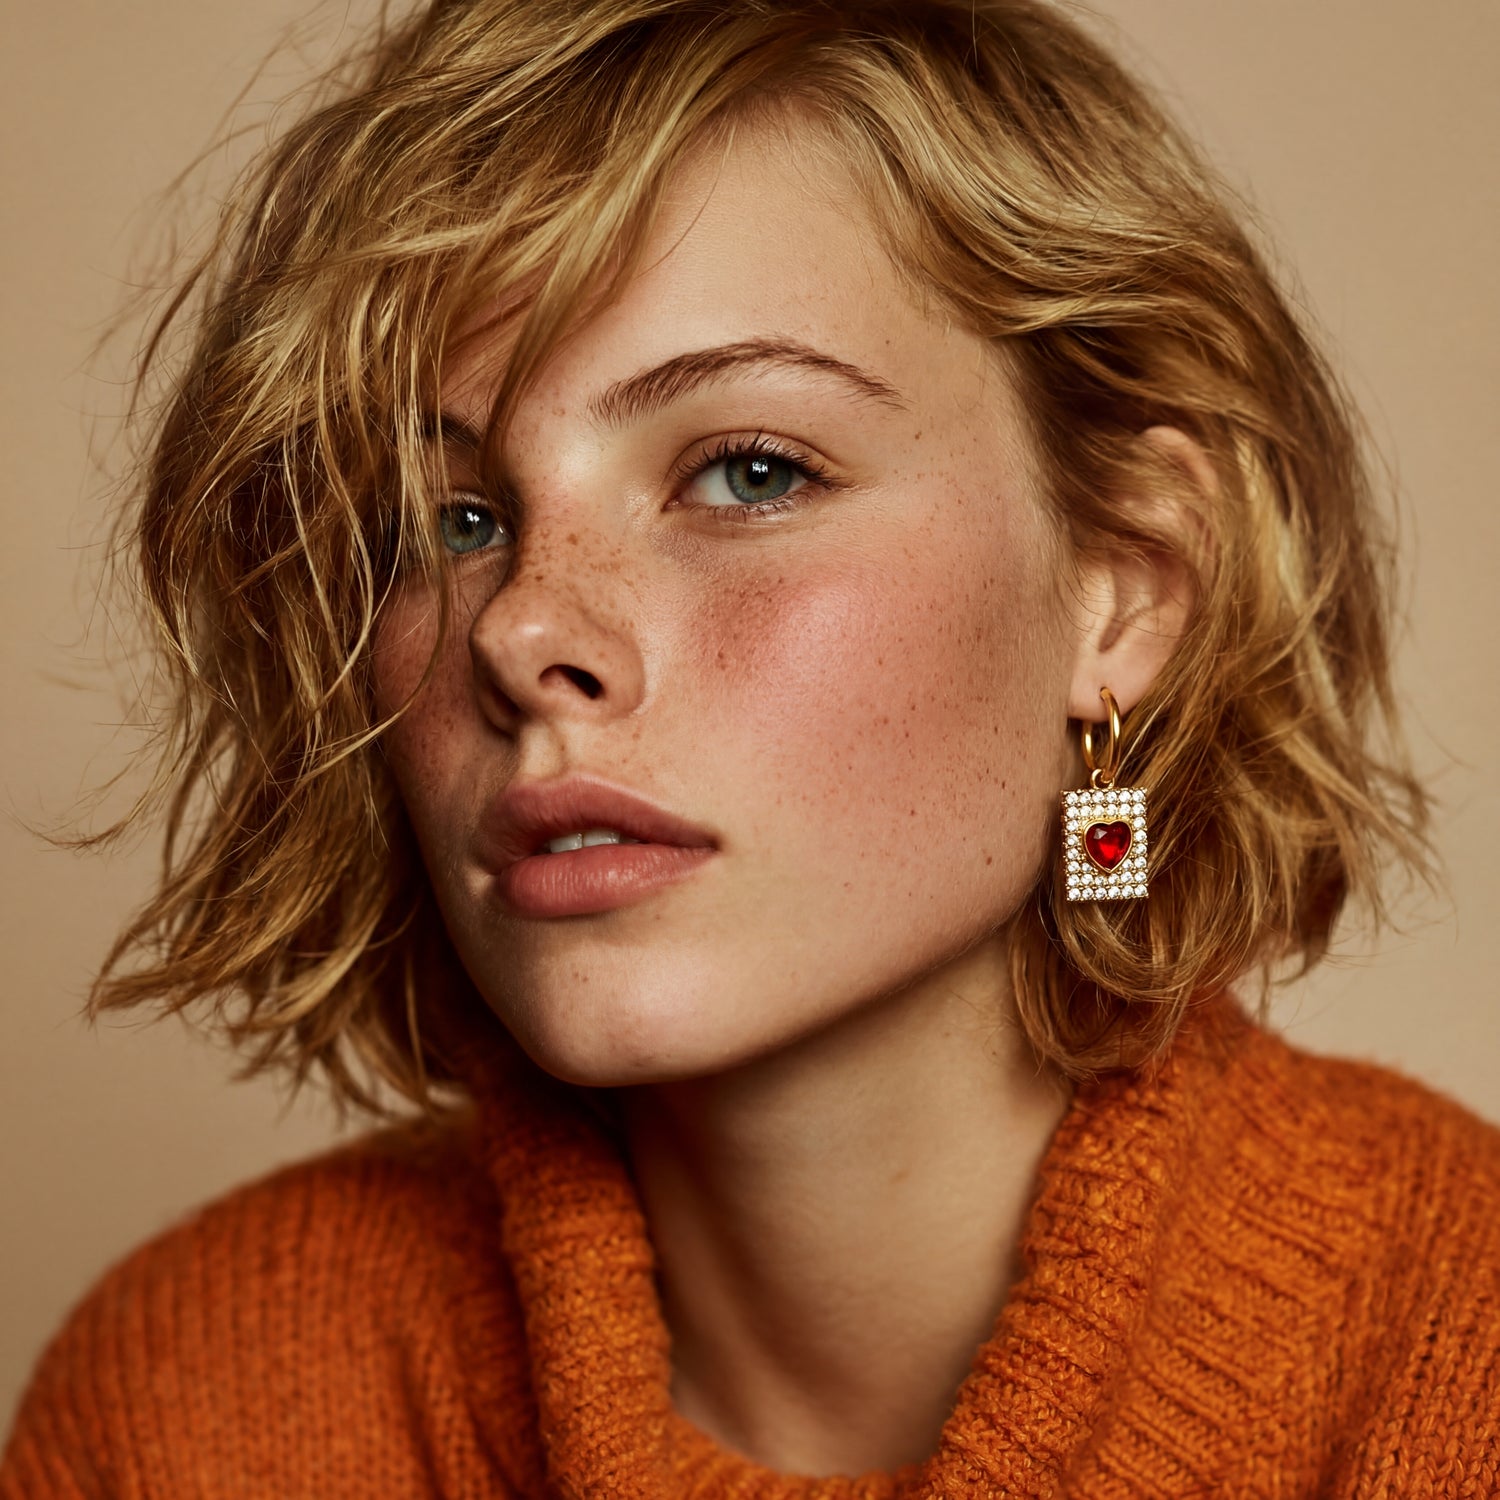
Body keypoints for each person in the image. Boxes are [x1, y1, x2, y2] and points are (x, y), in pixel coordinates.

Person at [3, 0, 1497, 1494]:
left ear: (1124, 586)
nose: (521, 630)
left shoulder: (1458, 1349)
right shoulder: (194, 1410)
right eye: (449, 521)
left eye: (749, 471)